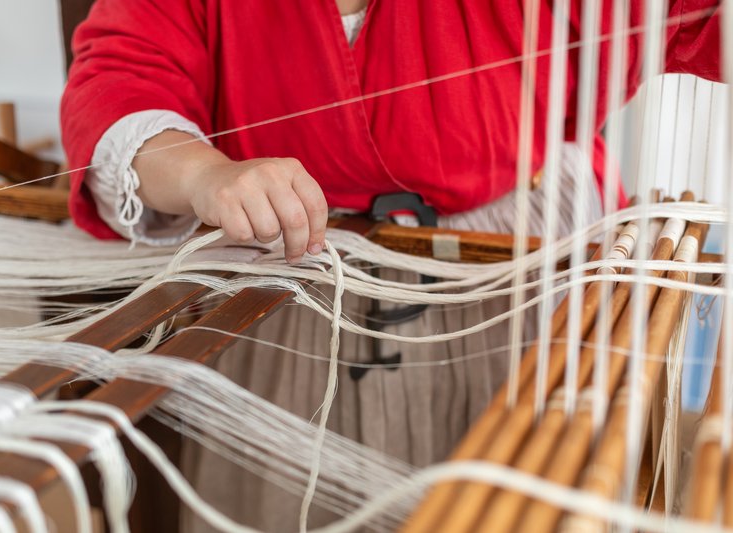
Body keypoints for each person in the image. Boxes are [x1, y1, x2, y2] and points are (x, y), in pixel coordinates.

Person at [61, 1, 720, 530]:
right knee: (283, 505)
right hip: (298, 281)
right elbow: (121, 79)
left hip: (526, 280)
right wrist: (207, 174)